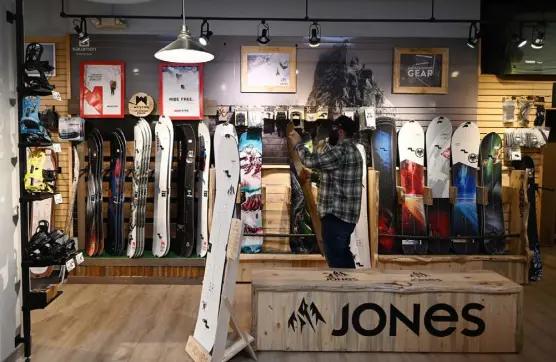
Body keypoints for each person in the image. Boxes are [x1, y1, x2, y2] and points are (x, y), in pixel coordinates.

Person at [290, 115, 363, 268]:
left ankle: (345, 290)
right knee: (342, 255)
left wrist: (298, 144)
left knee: (337, 262)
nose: (331, 134)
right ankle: (350, 288)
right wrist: (315, 176)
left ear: (341, 132)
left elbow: (309, 160)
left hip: (335, 217)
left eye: (334, 131)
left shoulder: (340, 151)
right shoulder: (354, 150)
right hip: (345, 218)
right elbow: (339, 179)